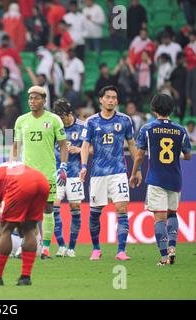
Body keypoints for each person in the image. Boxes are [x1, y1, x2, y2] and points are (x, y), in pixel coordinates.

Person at [129, 94, 192, 266]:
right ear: (171, 109)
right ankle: (172, 247)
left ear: (153, 109)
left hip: (156, 179)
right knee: (172, 213)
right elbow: (187, 155)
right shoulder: (181, 130)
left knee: (159, 218)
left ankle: (164, 257)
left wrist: (134, 173)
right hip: (175, 178)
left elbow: (140, 155)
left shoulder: (147, 129)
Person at [80, 85, 140, 261]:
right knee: (95, 212)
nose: (112, 100)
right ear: (101, 100)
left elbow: (131, 144)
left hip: (118, 171)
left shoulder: (125, 120)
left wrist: (137, 169)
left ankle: (121, 251)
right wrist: (84, 166)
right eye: (108, 97)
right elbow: (85, 145)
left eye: (114, 97)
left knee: (122, 208)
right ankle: (96, 248)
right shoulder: (91, 121)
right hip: (98, 173)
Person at [11, 86, 68, 259]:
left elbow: (63, 145)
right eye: (30, 98)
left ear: (44, 100)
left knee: (48, 209)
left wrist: (63, 166)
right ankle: (27, 244)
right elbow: (15, 147)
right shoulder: (21, 120)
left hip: (48, 173)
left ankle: (45, 248)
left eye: (36, 98)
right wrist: (12, 165)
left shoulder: (54, 119)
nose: (32, 101)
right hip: (26, 173)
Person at [0, 162, 50, 286]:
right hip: (42, 181)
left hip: (22, 183)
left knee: (5, 229)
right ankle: (25, 278)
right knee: (29, 229)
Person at [51, 99, 86, 257]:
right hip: (57, 173)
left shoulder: (82, 126)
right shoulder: (54, 126)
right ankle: (61, 245)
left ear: (69, 114)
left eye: (62, 117)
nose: (61, 121)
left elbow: (91, 148)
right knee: (54, 207)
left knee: (75, 208)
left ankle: (72, 247)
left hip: (75, 173)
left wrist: (79, 149)